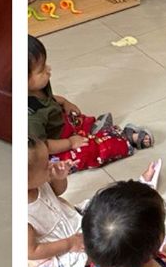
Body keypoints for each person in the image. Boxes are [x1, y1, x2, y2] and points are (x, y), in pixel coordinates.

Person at [27, 36, 152, 171]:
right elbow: (42, 147)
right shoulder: (30, 118)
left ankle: (93, 129)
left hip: (58, 125)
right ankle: (125, 139)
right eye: (41, 70)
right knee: (86, 152)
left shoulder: (36, 86)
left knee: (75, 119)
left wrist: (64, 102)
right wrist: (70, 143)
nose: (48, 69)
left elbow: (48, 99)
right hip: (52, 149)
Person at [25, 137, 86, 267]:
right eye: (46, 165)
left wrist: (60, 177)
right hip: (53, 247)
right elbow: (32, 251)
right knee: (95, 249)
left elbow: (56, 192)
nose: (51, 164)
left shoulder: (37, 181)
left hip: (66, 221)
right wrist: (69, 244)